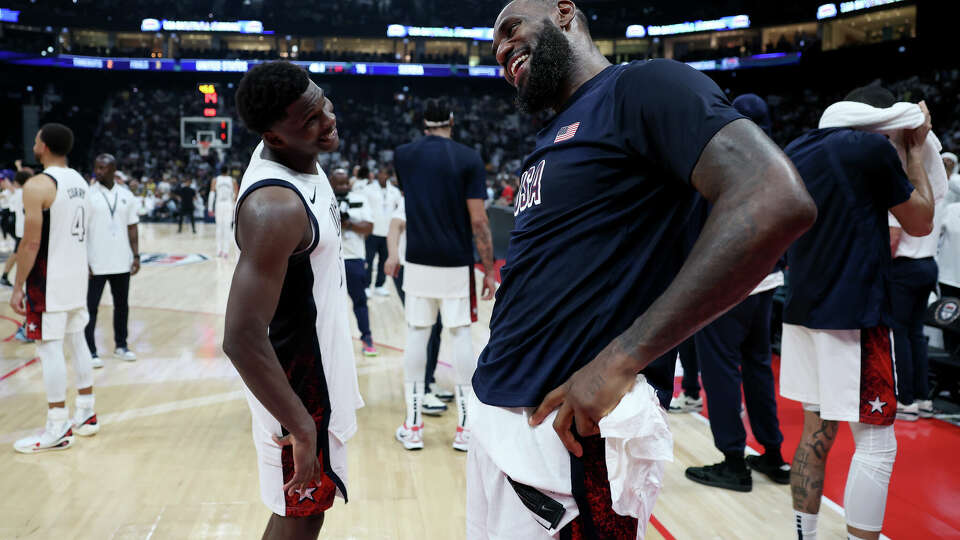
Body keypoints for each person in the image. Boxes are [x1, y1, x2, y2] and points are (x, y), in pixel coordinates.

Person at [469, 2, 816, 538]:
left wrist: (622, 357)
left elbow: (774, 199)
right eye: (494, 44)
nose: (501, 47)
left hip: (571, 433)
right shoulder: (553, 132)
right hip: (503, 415)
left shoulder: (643, 86)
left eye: (511, 27)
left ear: (564, 13)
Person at [781, 86, 934, 540]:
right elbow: (920, 220)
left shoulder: (798, 147)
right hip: (855, 315)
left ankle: (804, 536)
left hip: (803, 310)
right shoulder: (868, 148)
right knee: (877, 444)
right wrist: (914, 149)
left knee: (815, 435)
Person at [224, 61, 362, 540]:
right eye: (310, 118)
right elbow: (240, 337)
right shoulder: (275, 207)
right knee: (299, 517)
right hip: (295, 379)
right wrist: (299, 425)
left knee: (306, 512)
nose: (327, 116)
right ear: (276, 137)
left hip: (319, 364)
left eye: (321, 100)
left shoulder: (300, 155)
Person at [684, 94, 790, 492]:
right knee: (758, 367)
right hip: (768, 279)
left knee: (721, 370)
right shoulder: (777, 157)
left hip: (727, 282)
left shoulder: (725, 153)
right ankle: (774, 455)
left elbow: (698, 221)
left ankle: (733, 461)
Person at [391, 97, 496, 451]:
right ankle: (465, 429)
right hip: (456, 261)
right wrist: (489, 269)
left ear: (423, 123)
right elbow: (479, 221)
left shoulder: (403, 155)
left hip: (418, 259)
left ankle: (413, 425)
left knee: (417, 335)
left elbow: (414, 199)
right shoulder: (468, 158)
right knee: (461, 335)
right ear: (451, 120)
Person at [11, 123, 99, 453]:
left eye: (36, 139)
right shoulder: (81, 182)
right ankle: (87, 413)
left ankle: (57, 424)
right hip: (76, 275)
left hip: (49, 280)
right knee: (78, 342)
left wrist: (17, 286)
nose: (34, 143)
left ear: (44, 146)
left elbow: (31, 242)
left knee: (49, 349)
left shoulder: (37, 185)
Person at [385, 196, 453, 416]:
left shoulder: (444, 194)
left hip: (434, 270)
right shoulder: (415, 193)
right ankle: (421, 391)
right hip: (408, 268)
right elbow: (394, 226)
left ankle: (429, 380)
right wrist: (393, 255)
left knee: (438, 326)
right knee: (425, 328)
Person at [85, 153, 140, 365]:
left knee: (122, 306)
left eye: (102, 168)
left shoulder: (127, 195)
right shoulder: (88, 195)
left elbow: (132, 227)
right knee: (91, 307)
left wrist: (136, 255)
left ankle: (121, 346)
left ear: (113, 169)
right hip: (95, 262)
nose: (98, 171)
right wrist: (84, 260)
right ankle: (90, 351)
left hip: (121, 261)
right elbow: (82, 231)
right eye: (96, 167)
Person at [329, 167, 378, 357]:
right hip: (329, 259)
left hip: (354, 259)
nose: (342, 187)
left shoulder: (360, 199)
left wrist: (347, 224)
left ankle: (367, 338)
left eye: (344, 182)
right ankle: (328, 342)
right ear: (331, 182)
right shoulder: (324, 199)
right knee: (328, 304)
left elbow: (369, 227)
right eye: (338, 183)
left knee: (360, 301)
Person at [362, 166, 401, 297]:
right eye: (380, 174)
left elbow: (398, 208)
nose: (382, 176)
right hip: (373, 231)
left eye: (385, 174)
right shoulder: (368, 190)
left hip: (388, 232)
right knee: (369, 260)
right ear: (377, 174)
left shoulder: (394, 191)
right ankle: (366, 285)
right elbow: (364, 208)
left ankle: (380, 285)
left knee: (384, 260)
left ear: (388, 176)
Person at [209, 166, 239, 258]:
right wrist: (235, 207)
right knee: (226, 228)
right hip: (229, 205)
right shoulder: (233, 180)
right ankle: (225, 251)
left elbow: (212, 194)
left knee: (219, 228)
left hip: (219, 205)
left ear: (220, 171)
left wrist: (210, 208)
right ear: (228, 171)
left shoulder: (215, 180)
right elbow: (236, 194)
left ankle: (219, 251)